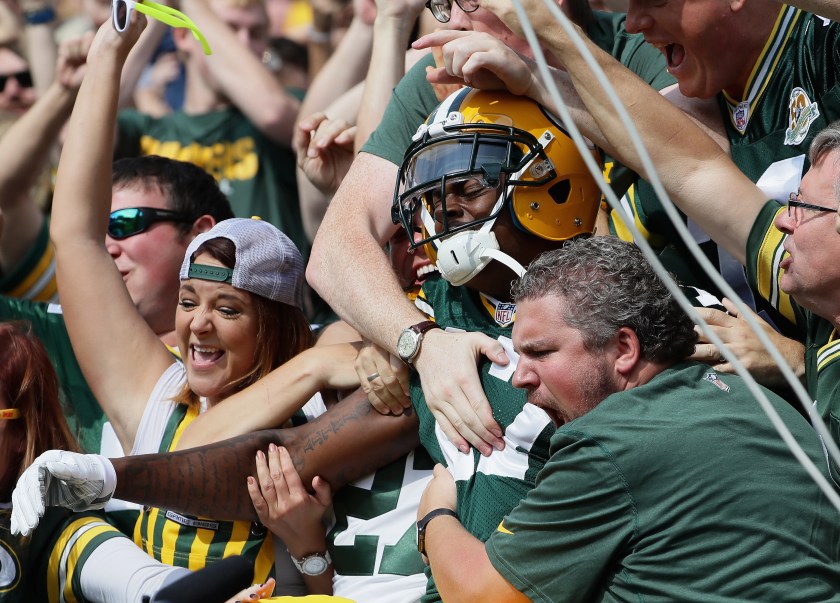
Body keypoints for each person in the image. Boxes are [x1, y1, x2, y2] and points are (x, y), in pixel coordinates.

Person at [419, 0, 840, 444]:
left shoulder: (821, 51)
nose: (634, 24)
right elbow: (690, 167)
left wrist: (799, 361)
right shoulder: (680, 121)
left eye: (653, 0)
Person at [44, 15, 362, 590]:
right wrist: (109, 54)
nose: (199, 326)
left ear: (274, 326)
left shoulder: (316, 418)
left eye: (229, 309)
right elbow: (75, 235)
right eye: (189, 301)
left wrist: (310, 556)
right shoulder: (157, 400)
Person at [306, 0, 675, 456]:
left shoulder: (638, 44)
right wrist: (420, 342)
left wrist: (542, 84)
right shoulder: (444, 72)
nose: (456, 21)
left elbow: (701, 161)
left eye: (472, 2)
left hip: (649, 354)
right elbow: (336, 248)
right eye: (443, 4)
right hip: (492, 339)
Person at [416, 237, 840, 602]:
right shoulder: (763, 401)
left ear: (624, 349)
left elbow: (483, 595)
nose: (520, 377)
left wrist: (434, 518)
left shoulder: (612, 441)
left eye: (541, 353)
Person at [113, 0, 307, 256]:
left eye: (257, 33)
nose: (243, 45)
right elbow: (85, 131)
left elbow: (274, 112)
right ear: (183, 35)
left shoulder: (286, 108)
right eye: (228, 29)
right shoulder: (145, 129)